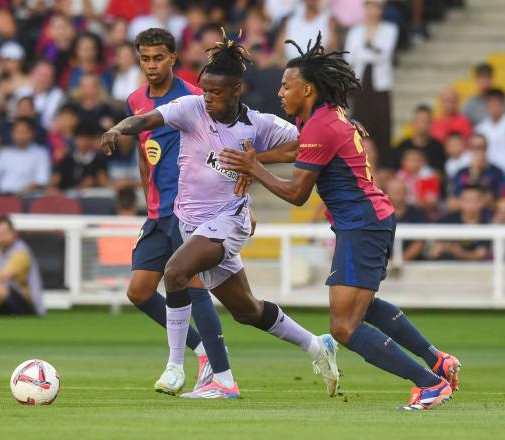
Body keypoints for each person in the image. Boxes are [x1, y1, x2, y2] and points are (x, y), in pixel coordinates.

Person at [220, 33, 460, 410]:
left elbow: (298, 194)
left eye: (287, 86)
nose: (280, 92)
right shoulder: (328, 118)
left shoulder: (321, 126)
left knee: (343, 327)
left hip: (361, 223)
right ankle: (438, 362)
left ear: (309, 89)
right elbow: (297, 149)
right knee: (362, 307)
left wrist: (253, 167)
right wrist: (255, 159)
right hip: (368, 219)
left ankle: (430, 384)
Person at [102, 30, 339, 400]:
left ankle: (180, 368)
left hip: (229, 221)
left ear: (236, 90)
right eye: (206, 89)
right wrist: (118, 128)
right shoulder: (191, 110)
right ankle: (315, 344)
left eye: (215, 92)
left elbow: (302, 143)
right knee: (246, 310)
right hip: (190, 222)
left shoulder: (257, 125)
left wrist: (254, 161)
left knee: (176, 272)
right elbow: (146, 120)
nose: (207, 97)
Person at [108, 28, 233, 398]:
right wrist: (147, 197)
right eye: (145, 58)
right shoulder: (134, 100)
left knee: (192, 286)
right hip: (158, 210)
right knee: (140, 290)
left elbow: (222, 143)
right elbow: (144, 149)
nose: (151, 65)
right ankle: (201, 352)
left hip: (191, 209)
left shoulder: (195, 97)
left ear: (173, 57)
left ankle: (218, 369)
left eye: (158, 57)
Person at [344, 0, 398, 162]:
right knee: (360, 120)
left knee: (381, 122)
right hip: (360, 83)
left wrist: (363, 51)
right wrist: (371, 50)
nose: (372, 10)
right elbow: (348, 56)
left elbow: (384, 54)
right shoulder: (355, 30)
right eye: (369, 6)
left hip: (380, 84)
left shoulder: (389, 29)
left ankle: (382, 161)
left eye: (375, 6)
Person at [0, 117, 50, 195]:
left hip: (28, 199)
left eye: (23, 132)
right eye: (17, 132)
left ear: (32, 134)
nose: (19, 136)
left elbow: (42, 180)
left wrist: (23, 192)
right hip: (3, 197)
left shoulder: (40, 154)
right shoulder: (5, 154)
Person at [430, 185, 491, 261]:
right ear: (460, 202)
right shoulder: (447, 221)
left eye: (475, 201)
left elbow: (480, 255)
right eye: (467, 201)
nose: (471, 205)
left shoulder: (487, 225)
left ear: (482, 202)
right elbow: (435, 250)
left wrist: (459, 252)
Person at [451, 133, 505, 210]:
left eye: (480, 148)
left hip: (488, 213)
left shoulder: (496, 172)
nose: (477, 152)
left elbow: (493, 199)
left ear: (486, 149)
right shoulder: (461, 172)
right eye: (473, 148)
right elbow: (455, 198)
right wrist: (474, 173)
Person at [48, 123, 109, 192]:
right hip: (66, 197)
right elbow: (56, 179)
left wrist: (95, 182)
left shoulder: (98, 161)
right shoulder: (67, 160)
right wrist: (52, 186)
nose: (82, 141)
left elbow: (103, 181)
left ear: (91, 140)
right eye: (80, 137)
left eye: (86, 138)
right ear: (75, 140)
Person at [475, 88, 505, 176]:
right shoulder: (480, 128)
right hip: (490, 173)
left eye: (497, 104)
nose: (494, 108)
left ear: (503, 104)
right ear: (487, 105)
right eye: (491, 105)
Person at [391, 104, 446, 174]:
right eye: (419, 121)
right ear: (413, 122)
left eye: (425, 121)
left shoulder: (437, 147)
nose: (422, 125)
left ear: (431, 123)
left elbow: (440, 175)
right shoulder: (403, 146)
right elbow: (392, 171)